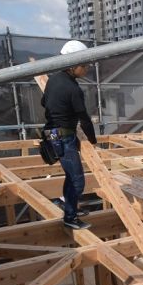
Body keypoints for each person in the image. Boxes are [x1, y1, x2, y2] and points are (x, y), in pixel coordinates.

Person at [42, 40, 98, 230]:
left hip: (53, 135)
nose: (87, 69)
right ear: (73, 65)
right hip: (64, 137)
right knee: (77, 180)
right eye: (85, 65)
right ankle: (70, 217)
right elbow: (84, 119)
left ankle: (70, 207)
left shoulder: (53, 79)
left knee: (70, 175)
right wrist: (93, 141)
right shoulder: (73, 89)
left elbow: (44, 101)